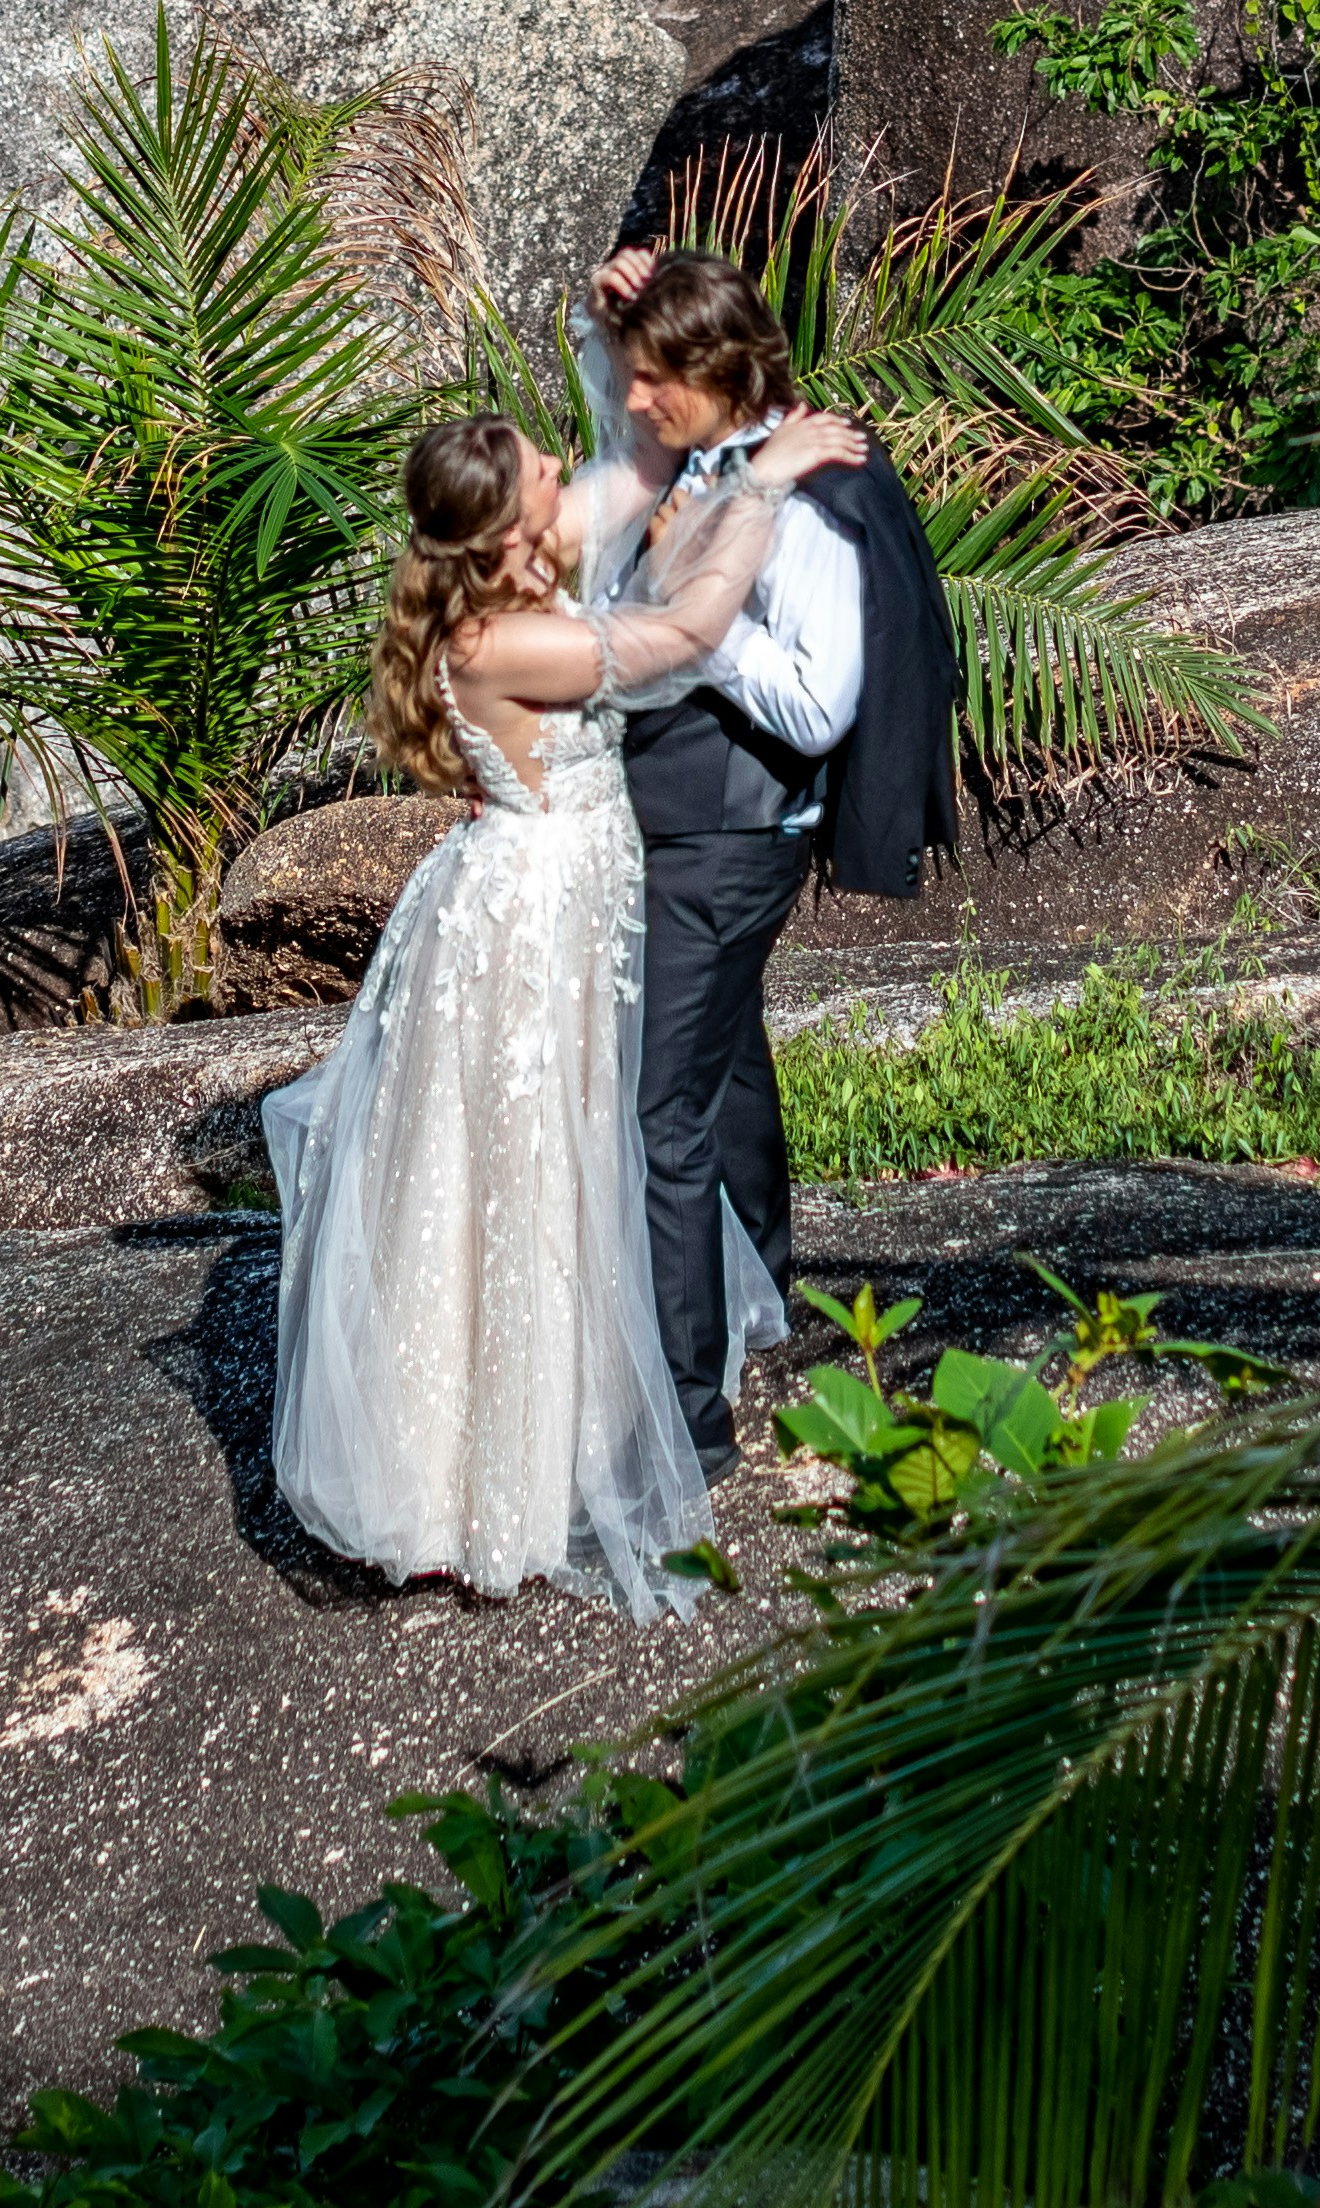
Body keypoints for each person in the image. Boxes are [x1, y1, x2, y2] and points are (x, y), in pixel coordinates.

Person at [261, 388, 876, 1617]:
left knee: (581, 1146)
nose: (562, 464)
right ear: (502, 534)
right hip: (534, 911)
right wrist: (766, 485)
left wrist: (639, 350)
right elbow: (687, 628)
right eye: (543, 467)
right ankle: (497, 1480)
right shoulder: (495, 642)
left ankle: (572, 1418)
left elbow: (636, 466)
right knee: (528, 1165)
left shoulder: (517, 567)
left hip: (570, 885)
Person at [585, 243, 963, 1466]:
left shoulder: (806, 502)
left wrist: (699, 621)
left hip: (731, 835)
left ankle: (691, 1423)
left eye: (655, 378)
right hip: (681, 822)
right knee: (727, 1058)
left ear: (716, 374)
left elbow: (815, 707)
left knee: (665, 1114)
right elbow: (625, 468)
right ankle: (762, 1293)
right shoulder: (724, 457)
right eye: (631, 374)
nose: (636, 398)